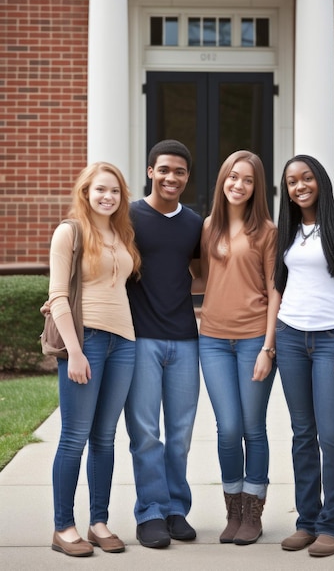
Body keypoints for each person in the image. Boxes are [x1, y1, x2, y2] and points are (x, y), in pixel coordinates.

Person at [274, 155, 334, 558]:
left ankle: (333, 525)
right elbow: (279, 283)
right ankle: (307, 522)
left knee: (331, 435)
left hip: (332, 340)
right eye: (292, 181)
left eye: (306, 177)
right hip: (291, 336)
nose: (300, 186)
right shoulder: (288, 230)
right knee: (302, 435)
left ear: (320, 180)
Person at [48, 162, 141, 557]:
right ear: (85, 192)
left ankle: (98, 520)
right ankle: (63, 527)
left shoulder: (122, 233)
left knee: (105, 437)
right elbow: (58, 297)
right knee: (74, 437)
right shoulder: (69, 231)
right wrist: (74, 351)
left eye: (116, 191)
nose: (108, 196)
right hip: (86, 342)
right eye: (101, 189)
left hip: (124, 342)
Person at [194, 150, 279, 546]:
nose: (238, 185)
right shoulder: (208, 227)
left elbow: (274, 289)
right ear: (222, 180)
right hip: (211, 338)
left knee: (252, 427)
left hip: (252, 340)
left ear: (256, 186)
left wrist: (268, 347)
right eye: (232, 176)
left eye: (247, 179)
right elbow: (203, 279)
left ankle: (253, 513)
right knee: (227, 429)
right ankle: (232, 511)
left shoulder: (267, 231)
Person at [124, 139, 203, 549]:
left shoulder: (195, 223)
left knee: (181, 432)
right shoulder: (129, 216)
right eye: (164, 169)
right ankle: (150, 511)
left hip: (185, 340)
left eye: (180, 172)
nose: (172, 177)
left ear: (187, 178)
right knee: (145, 431)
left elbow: (204, 272)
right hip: (140, 340)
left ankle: (176, 509)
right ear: (151, 171)